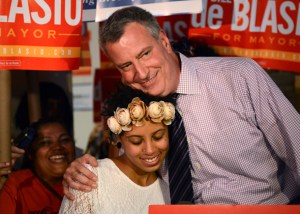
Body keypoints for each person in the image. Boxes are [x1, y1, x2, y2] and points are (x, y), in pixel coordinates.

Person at [63, 6, 300, 204]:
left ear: (164, 41)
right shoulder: (132, 109)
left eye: (145, 54)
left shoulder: (237, 78)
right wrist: (88, 171)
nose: (141, 73)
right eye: (126, 66)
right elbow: (128, 172)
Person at [59, 85, 173, 213]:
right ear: (119, 138)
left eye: (158, 137)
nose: (150, 149)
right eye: (136, 141)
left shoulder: (169, 190)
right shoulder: (90, 179)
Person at [0, 118, 76, 213]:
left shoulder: (89, 180)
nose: (58, 147)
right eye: (46, 142)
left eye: (64, 140)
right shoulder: (16, 183)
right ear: (31, 153)